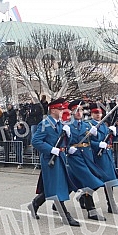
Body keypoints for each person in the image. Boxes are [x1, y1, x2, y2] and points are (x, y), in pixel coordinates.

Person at [28, 97, 80, 227]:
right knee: (57, 187)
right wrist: (51, 150)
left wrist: (68, 136)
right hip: (50, 159)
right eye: (60, 109)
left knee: (53, 185)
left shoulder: (60, 124)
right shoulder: (45, 124)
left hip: (60, 157)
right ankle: (65, 216)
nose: (62, 111)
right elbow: (36, 141)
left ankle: (34, 204)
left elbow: (65, 142)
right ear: (52, 110)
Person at [65, 100, 107, 221]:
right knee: (92, 181)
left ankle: (40, 202)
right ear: (71, 112)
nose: (79, 112)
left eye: (81, 110)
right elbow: (61, 142)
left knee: (74, 183)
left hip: (87, 156)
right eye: (76, 110)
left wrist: (96, 135)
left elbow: (94, 139)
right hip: (75, 157)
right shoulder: (67, 125)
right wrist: (68, 149)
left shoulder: (87, 125)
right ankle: (91, 211)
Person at [88, 103, 118, 215]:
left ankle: (111, 205)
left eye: (99, 113)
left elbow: (110, 140)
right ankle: (85, 196)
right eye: (95, 113)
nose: (98, 115)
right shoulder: (89, 124)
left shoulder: (104, 124)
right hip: (97, 156)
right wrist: (97, 144)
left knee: (110, 181)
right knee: (96, 181)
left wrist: (114, 134)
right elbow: (86, 142)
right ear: (91, 114)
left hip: (107, 155)